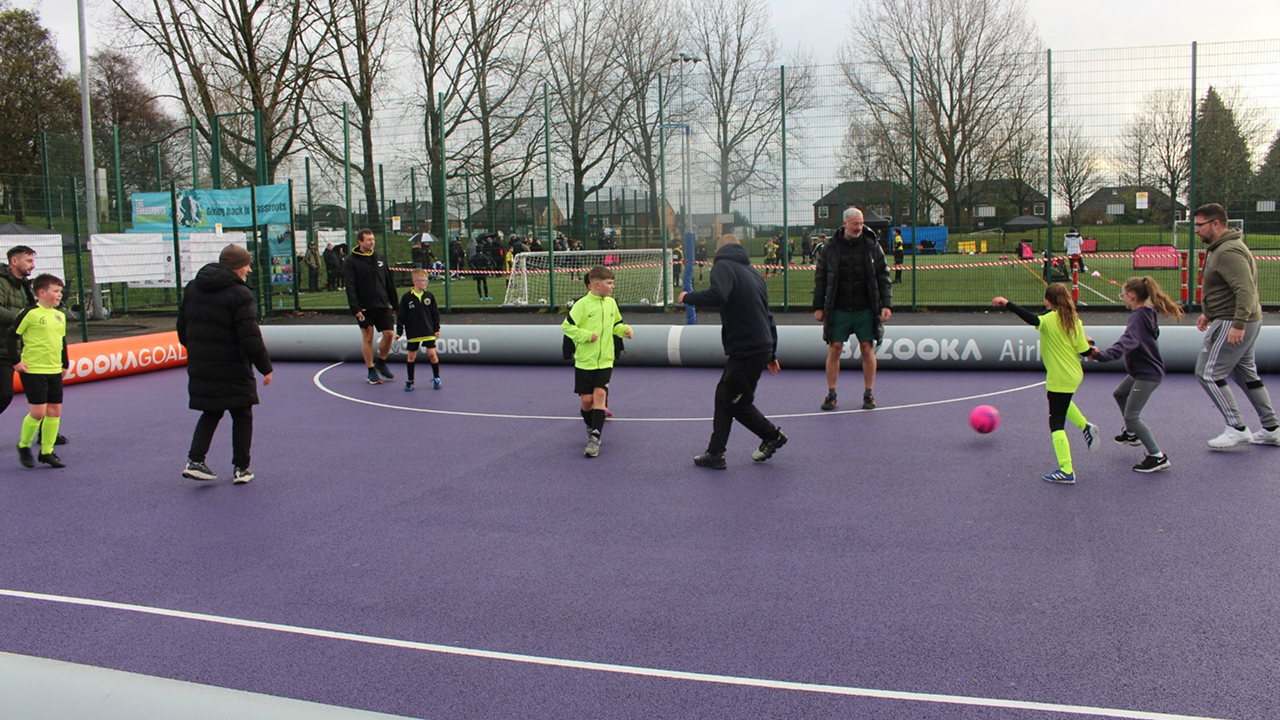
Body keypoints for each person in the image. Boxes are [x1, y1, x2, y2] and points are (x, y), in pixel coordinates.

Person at [678, 234, 786, 469]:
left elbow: (719, 295)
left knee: (737, 402)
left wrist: (689, 297)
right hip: (758, 346)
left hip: (747, 347)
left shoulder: (722, 266)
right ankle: (715, 453)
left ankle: (772, 436)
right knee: (724, 396)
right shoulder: (754, 273)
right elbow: (768, 315)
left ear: (719, 250)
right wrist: (772, 352)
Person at [176, 245, 273, 484]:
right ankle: (241, 467)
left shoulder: (193, 288)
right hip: (232, 365)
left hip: (202, 363)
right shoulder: (240, 294)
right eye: (247, 265)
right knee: (242, 412)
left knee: (211, 410)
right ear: (236, 266)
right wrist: (265, 367)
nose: (249, 270)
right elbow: (250, 335)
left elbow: (182, 327)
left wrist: (197, 350)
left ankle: (195, 460)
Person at [992, 284, 1100, 484]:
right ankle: (1086, 427)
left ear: (1047, 301)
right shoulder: (1074, 321)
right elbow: (1084, 351)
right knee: (1061, 402)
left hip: (1060, 377)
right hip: (1073, 374)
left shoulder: (1049, 320)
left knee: (1056, 423)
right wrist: (1092, 346)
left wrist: (1008, 303)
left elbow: (1031, 318)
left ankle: (1066, 469)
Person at [1191, 203, 1279, 448]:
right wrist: (1209, 313)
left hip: (1234, 321)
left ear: (1215, 223)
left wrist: (1238, 324)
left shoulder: (1228, 251)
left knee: (1207, 373)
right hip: (1237, 318)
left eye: (1199, 225)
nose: (1196, 230)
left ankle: (1237, 427)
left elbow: (1245, 290)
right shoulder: (1222, 248)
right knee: (1245, 374)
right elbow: (1226, 289)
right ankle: (1271, 428)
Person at [1087, 276, 1182, 473]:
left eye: (1122, 295)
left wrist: (1101, 356)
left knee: (1132, 415)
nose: (1121, 298)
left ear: (1131, 296)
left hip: (1147, 374)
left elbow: (1126, 342)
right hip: (1140, 371)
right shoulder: (1148, 312)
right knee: (1120, 394)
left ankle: (1157, 456)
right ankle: (1132, 434)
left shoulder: (1138, 317)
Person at [812, 207, 893, 411]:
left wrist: (886, 305)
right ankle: (831, 394)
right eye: (855, 223)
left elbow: (883, 276)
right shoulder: (830, 247)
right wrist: (818, 307)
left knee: (867, 349)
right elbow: (820, 278)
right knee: (835, 349)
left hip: (865, 308)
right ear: (845, 223)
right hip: (838, 308)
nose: (859, 227)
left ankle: (868, 394)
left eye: (861, 223)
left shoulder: (872, 246)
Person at [562, 266, 632, 458]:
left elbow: (616, 325)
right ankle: (590, 424)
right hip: (585, 361)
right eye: (609, 283)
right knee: (587, 401)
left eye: (613, 282)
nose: (613, 287)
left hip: (606, 360)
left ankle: (595, 437)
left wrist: (624, 330)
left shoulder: (611, 304)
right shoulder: (582, 305)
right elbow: (567, 327)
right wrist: (585, 335)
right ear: (597, 284)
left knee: (600, 394)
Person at [0, 245, 67, 447]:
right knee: (4, 394)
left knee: (46, 395)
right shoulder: (1, 283)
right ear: (14, 261)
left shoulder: (26, 286)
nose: (32, 265)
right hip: (4, 348)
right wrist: (25, 320)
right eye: (28, 261)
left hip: (29, 350)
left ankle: (47, 436)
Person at [8, 273, 69, 469]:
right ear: (42, 293)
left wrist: (64, 363)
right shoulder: (30, 313)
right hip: (33, 369)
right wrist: (16, 361)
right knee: (37, 412)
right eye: (56, 291)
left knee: (55, 410)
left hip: (53, 369)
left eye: (60, 291)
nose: (60, 295)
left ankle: (47, 452)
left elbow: (62, 341)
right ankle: (24, 445)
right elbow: (12, 337)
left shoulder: (59, 316)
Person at [343, 228, 399, 385]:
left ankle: (381, 362)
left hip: (382, 304)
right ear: (360, 242)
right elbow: (350, 286)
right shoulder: (351, 261)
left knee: (389, 334)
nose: (372, 242)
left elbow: (389, 282)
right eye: (368, 240)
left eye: (373, 239)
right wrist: (355, 308)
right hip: (364, 306)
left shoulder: (380, 258)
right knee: (368, 336)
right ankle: (370, 370)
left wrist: (395, 303)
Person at [395, 269, 443, 392]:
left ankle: (437, 377)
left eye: (426, 280)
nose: (425, 283)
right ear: (415, 281)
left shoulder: (429, 296)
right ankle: (410, 380)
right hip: (413, 333)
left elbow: (435, 314)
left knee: (432, 354)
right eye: (422, 281)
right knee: (411, 356)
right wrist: (399, 332)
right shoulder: (407, 298)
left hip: (428, 331)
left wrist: (436, 329)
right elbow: (401, 316)